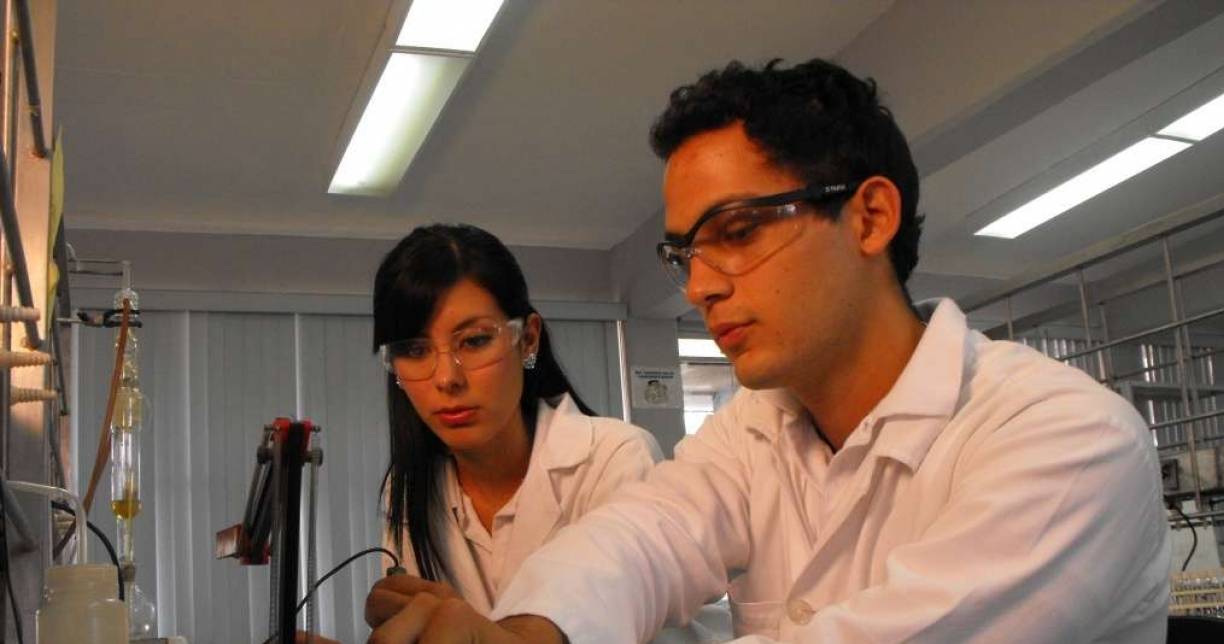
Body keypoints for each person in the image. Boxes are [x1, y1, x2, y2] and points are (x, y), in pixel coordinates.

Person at [366, 59, 1170, 643]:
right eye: (686, 253)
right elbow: (640, 538)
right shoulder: (756, 429)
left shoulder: (1066, 438)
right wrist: (530, 631)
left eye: (739, 231)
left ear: (869, 218)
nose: (699, 286)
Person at [364, 223, 663, 625]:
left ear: (528, 340)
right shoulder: (410, 488)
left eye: (474, 341)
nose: (447, 379)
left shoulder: (615, 460)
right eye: (416, 350)